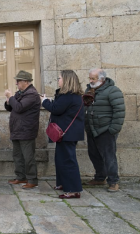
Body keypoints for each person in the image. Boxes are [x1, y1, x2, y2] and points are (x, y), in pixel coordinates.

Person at [41, 70, 85, 199]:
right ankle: (63, 183)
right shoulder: (70, 95)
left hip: (67, 134)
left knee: (67, 161)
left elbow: (56, 109)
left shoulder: (69, 96)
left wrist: (44, 101)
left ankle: (73, 190)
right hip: (67, 133)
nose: (58, 80)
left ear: (66, 80)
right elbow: (59, 108)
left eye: (59, 78)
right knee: (61, 159)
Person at [84, 68, 125, 192]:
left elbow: (119, 111)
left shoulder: (113, 91)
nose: (90, 81)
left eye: (93, 78)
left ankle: (113, 181)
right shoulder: (89, 90)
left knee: (109, 156)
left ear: (101, 79)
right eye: (90, 78)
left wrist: (113, 129)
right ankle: (100, 177)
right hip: (92, 128)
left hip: (105, 129)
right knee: (94, 155)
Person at [4, 70, 41, 189]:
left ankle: (32, 179)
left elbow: (19, 107)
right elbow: (12, 107)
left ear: (26, 82)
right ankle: (20, 177)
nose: (16, 83)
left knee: (28, 156)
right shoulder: (21, 93)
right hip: (17, 129)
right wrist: (8, 100)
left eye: (18, 81)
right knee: (17, 155)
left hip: (26, 130)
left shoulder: (32, 94)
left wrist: (11, 97)